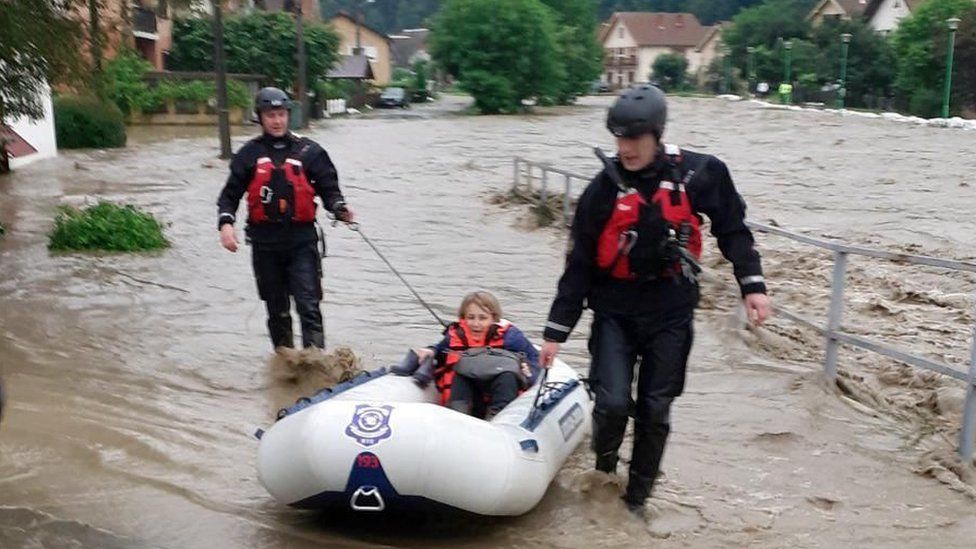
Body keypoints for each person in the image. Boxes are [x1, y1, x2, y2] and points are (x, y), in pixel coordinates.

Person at [537, 84, 772, 516]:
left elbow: (733, 229)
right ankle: (605, 467)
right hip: (614, 313)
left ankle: (635, 503)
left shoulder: (701, 174)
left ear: (656, 134)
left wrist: (752, 284)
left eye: (635, 138)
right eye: (619, 138)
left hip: (671, 313)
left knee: (655, 409)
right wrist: (555, 333)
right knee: (610, 404)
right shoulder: (602, 191)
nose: (625, 148)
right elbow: (579, 265)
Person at [217, 87, 354, 350]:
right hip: (265, 244)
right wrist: (226, 225)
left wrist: (339, 208)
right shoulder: (248, 155)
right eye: (270, 115)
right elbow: (229, 196)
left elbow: (329, 188)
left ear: (288, 115)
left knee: (308, 305)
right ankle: (286, 366)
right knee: (277, 310)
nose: (276, 120)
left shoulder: (310, 152)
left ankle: (314, 365)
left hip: (302, 241)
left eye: (280, 114)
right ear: (260, 118)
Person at [413, 291, 540, 419]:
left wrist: (529, 374)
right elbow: (440, 349)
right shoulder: (456, 335)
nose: (476, 324)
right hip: (469, 392)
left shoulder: (511, 337)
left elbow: (534, 358)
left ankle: (497, 420)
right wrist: (431, 351)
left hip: (498, 388)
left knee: (507, 376)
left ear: (494, 318)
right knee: (461, 371)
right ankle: (457, 416)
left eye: (482, 318)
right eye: (471, 317)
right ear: (463, 317)